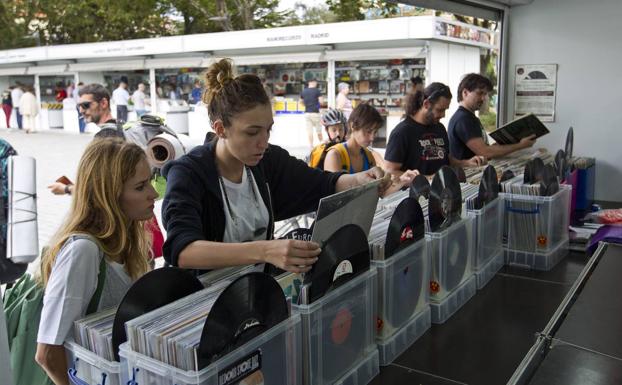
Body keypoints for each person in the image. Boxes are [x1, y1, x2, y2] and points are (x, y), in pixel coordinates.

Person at [161, 58, 389, 274]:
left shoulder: (268, 160)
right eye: (252, 132)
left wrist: (359, 180)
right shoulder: (188, 174)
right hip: (203, 305)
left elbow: (319, 183)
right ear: (220, 129)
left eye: (268, 130)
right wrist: (267, 250)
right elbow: (183, 250)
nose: (263, 142)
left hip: (256, 295)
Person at [35, 138, 157, 384]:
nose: (153, 194)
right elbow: (47, 353)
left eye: (151, 182)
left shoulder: (129, 243)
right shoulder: (83, 252)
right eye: (141, 186)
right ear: (110, 196)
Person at [384, 82, 486, 177]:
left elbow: (445, 159)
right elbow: (390, 171)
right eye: (440, 110)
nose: (443, 115)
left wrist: (466, 163)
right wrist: (427, 179)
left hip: (443, 192)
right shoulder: (402, 132)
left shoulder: (439, 128)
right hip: (415, 195)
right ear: (426, 104)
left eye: (445, 110)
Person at [448, 73, 536, 160]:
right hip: (467, 173)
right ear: (465, 93)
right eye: (480, 93)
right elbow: (485, 152)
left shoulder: (470, 117)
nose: (483, 98)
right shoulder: (463, 119)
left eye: (485, 94)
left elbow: (484, 149)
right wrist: (520, 145)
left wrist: (502, 144)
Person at [324, 103, 382, 174]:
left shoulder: (369, 157)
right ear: (353, 126)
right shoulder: (334, 155)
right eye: (368, 131)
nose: (372, 138)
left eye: (375, 132)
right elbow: (332, 185)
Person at [300, 79, 323, 147]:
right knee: (319, 131)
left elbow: (300, 101)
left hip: (307, 113)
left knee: (309, 131)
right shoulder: (317, 91)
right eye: (316, 82)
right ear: (312, 82)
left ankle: (311, 146)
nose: (316, 84)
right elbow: (321, 102)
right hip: (315, 113)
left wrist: (306, 105)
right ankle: (322, 145)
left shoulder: (304, 91)